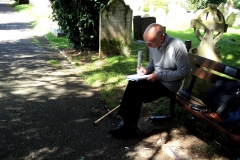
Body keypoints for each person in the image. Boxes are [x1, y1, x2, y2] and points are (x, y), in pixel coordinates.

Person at [108, 23, 189, 139]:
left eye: (151, 43)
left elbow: (183, 72)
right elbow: (152, 64)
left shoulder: (177, 46)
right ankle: (127, 124)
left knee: (136, 92)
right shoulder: (153, 45)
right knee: (133, 83)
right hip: (156, 78)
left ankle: (127, 127)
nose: (148, 46)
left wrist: (159, 76)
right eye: (147, 42)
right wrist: (146, 70)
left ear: (161, 38)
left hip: (170, 84)